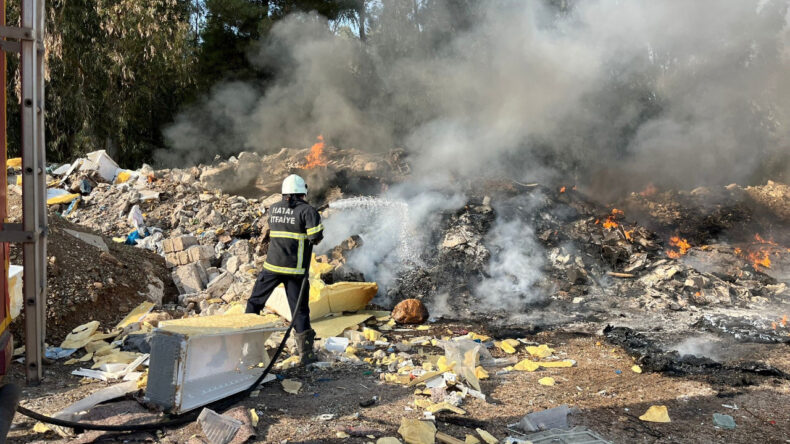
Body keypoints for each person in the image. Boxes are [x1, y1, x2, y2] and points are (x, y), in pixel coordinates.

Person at [246, 174, 323, 365]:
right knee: (299, 311)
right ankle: (306, 354)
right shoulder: (308, 211)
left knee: (255, 302)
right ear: (302, 192)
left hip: (271, 267)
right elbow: (315, 238)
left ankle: (246, 345)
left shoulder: (274, 208)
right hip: (294, 271)